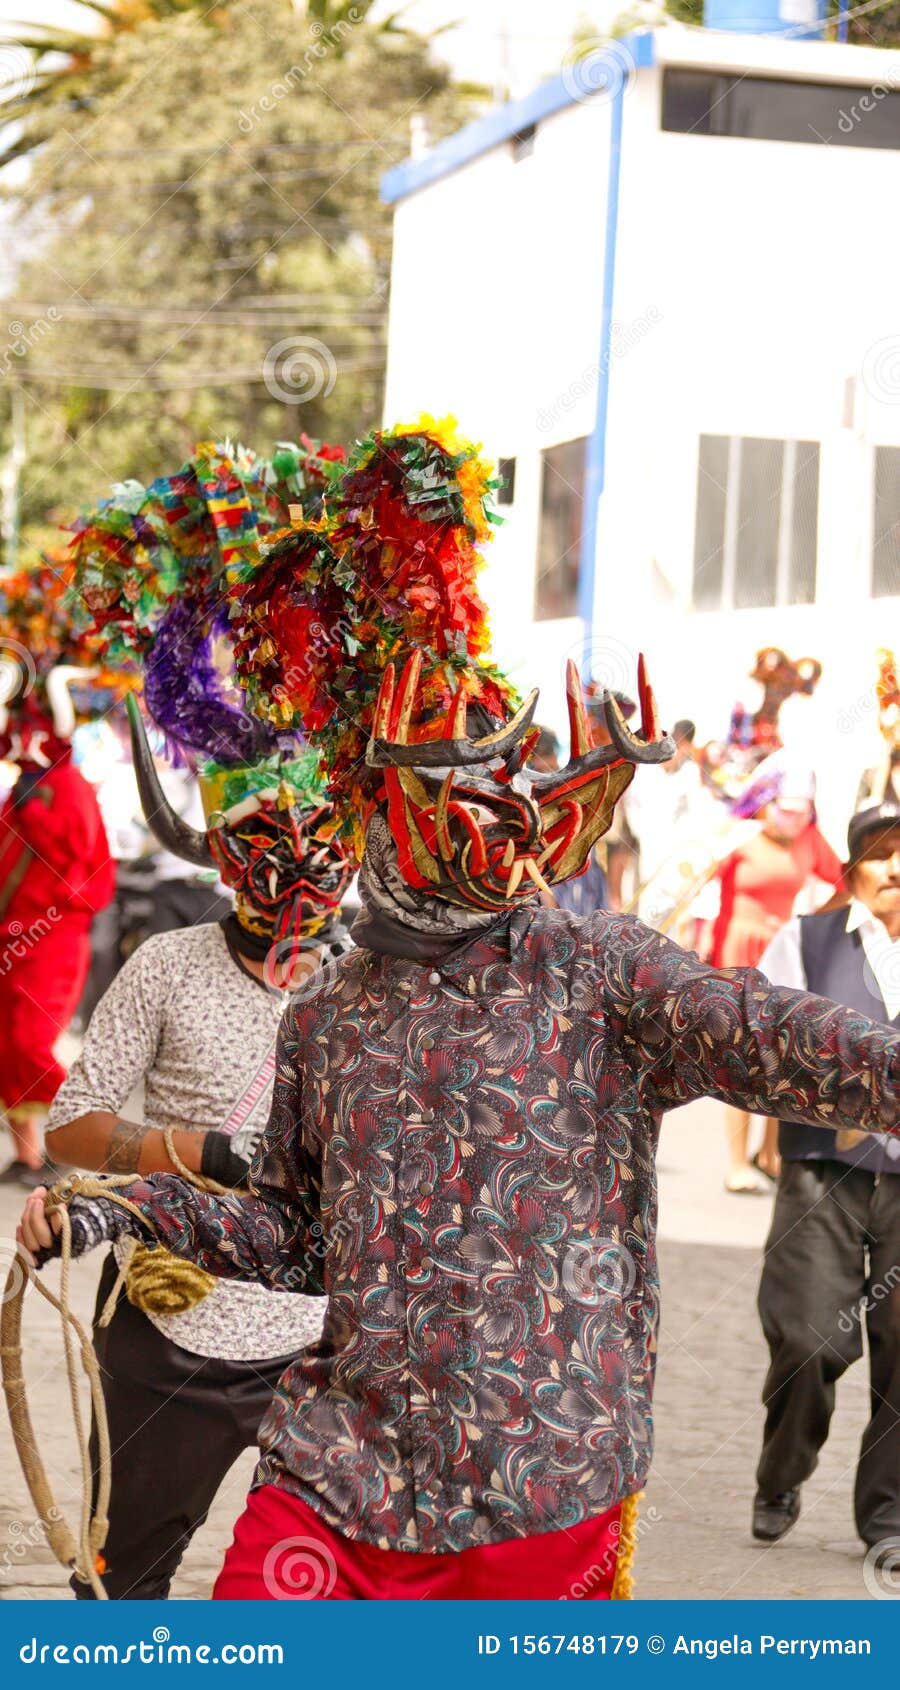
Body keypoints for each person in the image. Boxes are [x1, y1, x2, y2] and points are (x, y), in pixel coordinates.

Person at [18, 421, 900, 1602]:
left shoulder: (597, 970)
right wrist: (118, 1205)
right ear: (381, 802)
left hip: (543, 1485)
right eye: (455, 784)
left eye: (506, 783)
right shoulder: (331, 1017)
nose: (496, 812)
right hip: (341, 1477)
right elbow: (296, 1229)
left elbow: (787, 1038)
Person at [39, 439, 355, 1601]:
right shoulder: (168, 962)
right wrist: (190, 1155)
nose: (298, 888)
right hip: (170, 1324)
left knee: (299, 1593)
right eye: (270, 859)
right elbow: (72, 1127)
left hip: (325, 1341)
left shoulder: (363, 982)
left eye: (322, 863)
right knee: (125, 1584)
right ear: (226, 862)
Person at [751, 801, 900, 1549]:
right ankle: (781, 1472)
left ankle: (888, 1518)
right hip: (822, 1170)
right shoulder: (804, 941)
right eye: (880, 854)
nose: (897, 870)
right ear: (852, 870)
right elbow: (758, 1044)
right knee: (809, 1342)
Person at [0, 563, 116, 1188]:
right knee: (6, 1042)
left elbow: (87, 875)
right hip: (15, 934)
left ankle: (78, 1140)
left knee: (28, 1037)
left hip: (52, 937)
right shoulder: (21, 792)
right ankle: (31, 1157)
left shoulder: (65, 789)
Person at [707, 754, 844, 1194]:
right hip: (738, 954)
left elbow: (847, 881)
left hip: (786, 956)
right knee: (741, 1057)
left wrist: (811, 926)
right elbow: (687, 881)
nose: (792, 817)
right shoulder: (736, 839)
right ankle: (735, 1163)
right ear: (763, 802)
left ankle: (769, 1155)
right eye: (785, 807)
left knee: (780, 1055)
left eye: (801, 810)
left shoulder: (809, 840)